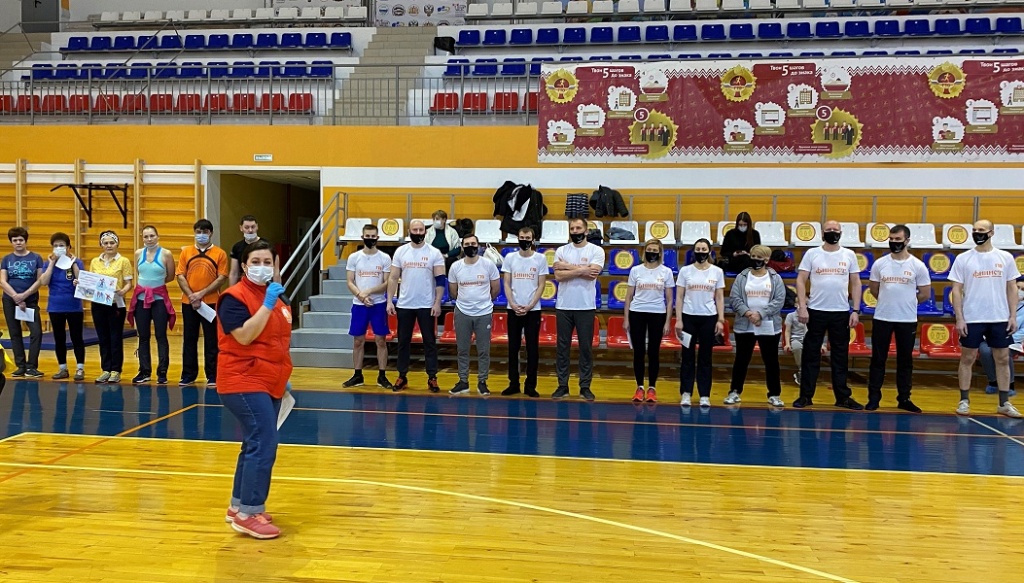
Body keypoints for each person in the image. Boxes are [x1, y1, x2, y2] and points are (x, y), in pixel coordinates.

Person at [216, 240, 291, 540]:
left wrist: (283, 375)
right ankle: (249, 514)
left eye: (267, 262)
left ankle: (238, 505)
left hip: (269, 379)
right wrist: (267, 305)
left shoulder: (278, 297)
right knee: (264, 441)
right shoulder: (233, 298)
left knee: (252, 442)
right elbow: (245, 336)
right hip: (242, 378)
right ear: (245, 266)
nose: (262, 267)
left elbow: (277, 341)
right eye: (256, 262)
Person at [950, 220, 1022, 418]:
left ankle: (1004, 403)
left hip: (999, 317)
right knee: (967, 358)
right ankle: (964, 401)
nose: (977, 233)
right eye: (974, 230)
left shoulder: (1005, 257)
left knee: (1002, 358)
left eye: (981, 230)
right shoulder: (963, 258)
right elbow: (956, 290)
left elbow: (1012, 288)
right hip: (972, 317)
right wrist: (959, 318)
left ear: (991, 233)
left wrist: (1013, 315)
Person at [794, 220, 864, 410]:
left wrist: (855, 310)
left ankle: (842, 397)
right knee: (810, 356)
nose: (832, 232)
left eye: (835, 229)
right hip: (816, 311)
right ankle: (805, 396)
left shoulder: (849, 254)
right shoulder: (812, 253)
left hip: (840, 312)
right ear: (822, 233)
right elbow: (800, 280)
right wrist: (802, 306)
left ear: (841, 232)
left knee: (840, 357)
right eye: (828, 229)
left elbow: (856, 282)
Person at [866, 225, 931, 413]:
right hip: (882, 317)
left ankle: (904, 398)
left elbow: (925, 294)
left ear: (907, 241)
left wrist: (907, 302)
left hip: (907, 319)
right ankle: (873, 398)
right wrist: (889, 302)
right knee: (878, 359)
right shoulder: (880, 264)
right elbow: (874, 289)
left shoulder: (917, 265)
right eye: (891, 239)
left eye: (898, 239)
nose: (894, 242)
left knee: (905, 361)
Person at [386, 219, 445, 393]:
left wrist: (437, 302)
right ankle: (402, 376)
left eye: (420, 230)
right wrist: (389, 301)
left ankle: (432, 377)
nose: (418, 232)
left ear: (425, 232)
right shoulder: (401, 251)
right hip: (405, 304)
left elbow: (440, 280)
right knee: (403, 342)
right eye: (415, 230)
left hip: (427, 305)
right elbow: (393, 277)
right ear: (409, 231)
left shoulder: (434, 253)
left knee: (429, 342)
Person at [552, 217, 605, 401]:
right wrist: (582, 269)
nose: (575, 231)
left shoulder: (596, 250)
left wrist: (567, 267)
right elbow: (558, 276)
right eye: (572, 228)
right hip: (563, 306)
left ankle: (585, 386)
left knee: (585, 348)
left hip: (586, 306)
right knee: (562, 348)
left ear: (586, 231)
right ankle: (562, 385)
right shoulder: (561, 250)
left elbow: (592, 274)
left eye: (578, 228)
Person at [726, 245, 786, 407]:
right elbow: (735, 298)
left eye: (759, 257)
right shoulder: (742, 277)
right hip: (744, 325)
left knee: (771, 361)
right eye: (753, 256)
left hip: (768, 325)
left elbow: (779, 300)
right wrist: (748, 313)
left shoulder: (775, 278)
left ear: (766, 260)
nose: (755, 260)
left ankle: (774, 394)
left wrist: (761, 314)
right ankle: (735, 391)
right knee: (741, 360)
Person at [176, 219, 229, 388]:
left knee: (212, 340)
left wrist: (201, 294)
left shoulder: (220, 253)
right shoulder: (186, 252)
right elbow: (180, 275)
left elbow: (222, 277)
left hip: (211, 303)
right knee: (189, 339)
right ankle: (188, 375)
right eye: (198, 232)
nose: (201, 235)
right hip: (189, 302)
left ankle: (213, 375)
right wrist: (192, 296)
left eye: (204, 232)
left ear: (210, 233)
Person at [447, 234, 500, 396]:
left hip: (484, 313)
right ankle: (463, 381)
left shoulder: (488, 265)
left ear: (478, 245)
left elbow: (495, 289)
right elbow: (453, 292)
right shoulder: (455, 267)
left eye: (473, 243)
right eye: (467, 244)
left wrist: (484, 302)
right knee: (462, 349)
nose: (471, 246)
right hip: (462, 312)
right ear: (463, 247)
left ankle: (482, 382)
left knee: (483, 350)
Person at [675, 238, 725, 408]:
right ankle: (686, 393)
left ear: (709, 251)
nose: (701, 252)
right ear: (693, 251)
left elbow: (719, 297)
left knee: (705, 358)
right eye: (698, 249)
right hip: (688, 317)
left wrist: (720, 319)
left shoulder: (717, 272)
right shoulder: (685, 271)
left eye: (704, 249)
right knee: (687, 357)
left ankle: (704, 394)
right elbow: (679, 296)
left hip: (708, 318)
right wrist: (679, 320)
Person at [342, 223, 393, 390]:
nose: (370, 239)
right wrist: (360, 296)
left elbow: (386, 283)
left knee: (381, 341)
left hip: (378, 304)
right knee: (358, 341)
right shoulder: (354, 257)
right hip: (359, 305)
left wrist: (369, 292)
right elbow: (350, 281)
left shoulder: (385, 258)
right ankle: (357, 375)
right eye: (367, 236)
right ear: (362, 237)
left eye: (373, 236)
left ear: (377, 238)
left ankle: (382, 376)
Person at [624, 239, 673, 403]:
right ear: (645, 251)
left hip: (657, 314)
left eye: (655, 250)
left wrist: (667, 321)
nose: (652, 252)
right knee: (638, 352)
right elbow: (628, 296)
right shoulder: (635, 270)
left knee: (653, 352)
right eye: (649, 249)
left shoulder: (666, 272)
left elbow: (670, 300)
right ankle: (639, 387)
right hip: (637, 312)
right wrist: (626, 319)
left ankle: (652, 388)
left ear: (659, 253)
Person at [501, 226, 547, 398]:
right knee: (513, 348)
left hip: (533, 310)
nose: (524, 240)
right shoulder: (510, 258)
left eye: (528, 238)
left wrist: (530, 305)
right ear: (518, 238)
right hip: (513, 309)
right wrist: (512, 304)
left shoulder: (540, 259)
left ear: (533, 240)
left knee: (532, 348)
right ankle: (513, 383)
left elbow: (541, 284)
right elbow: (506, 283)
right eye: (522, 237)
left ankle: (530, 385)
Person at [129, 226, 176, 385]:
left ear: (157, 236)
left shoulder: (166, 254)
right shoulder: (138, 253)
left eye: (152, 236)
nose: (149, 239)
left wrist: (155, 287)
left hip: (159, 300)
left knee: (161, 336)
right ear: (142, 238)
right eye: (146, 236)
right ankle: (144, 371)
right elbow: (139, 273)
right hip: (141, 300)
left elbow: (170, 276)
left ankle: (162, 372)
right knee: (143, 336)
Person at [87, 231, 133, 384]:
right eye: (105, 243)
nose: (109, 245)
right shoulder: (95, 261)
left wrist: (122, 291)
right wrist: (81, 284)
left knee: (115, 337)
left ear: (117, 244)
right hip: (98, 304)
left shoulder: (123, 261)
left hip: (115, 304)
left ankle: (116, 370)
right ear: (101, 245)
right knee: (103, 337)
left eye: (111, 242)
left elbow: (128, 283)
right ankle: (106, 369)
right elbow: (92, 281)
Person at [39, 233, 85, 381]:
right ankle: (62, 368)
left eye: (62, 245)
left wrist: (73, 263)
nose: (59, 248)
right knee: (59, 338)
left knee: (77, 337)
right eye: (56, 246)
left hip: (74, 306)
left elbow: (82, 280)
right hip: (55, 306)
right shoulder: (48, 263)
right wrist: (51, 264)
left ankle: (80, 368)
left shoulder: (77, 262)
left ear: (68, 247)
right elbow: (44, 282)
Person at [0, 227, 44, 378]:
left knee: (36, 332)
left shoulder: (36, 258)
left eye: (21, 240)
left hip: (30, 300)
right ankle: (21, 366)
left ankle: (32, 367)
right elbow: (2, 281)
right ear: (11, 242)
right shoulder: (6, 259)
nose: (18, 242)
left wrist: (24, 296)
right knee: (15, 332)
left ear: (25, 241)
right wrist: (15, 297)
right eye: (15, 240)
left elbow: (40, 280)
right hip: (10, 300)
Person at [229, 215, 280, 286]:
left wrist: (277, 290)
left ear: (257, 227)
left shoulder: (268, 245)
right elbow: (234, 272)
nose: (250, 230)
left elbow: (276, 272)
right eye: (246, 227)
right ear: (241, 228)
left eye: (253, 227)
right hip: (245, 285)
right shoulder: (237, 247)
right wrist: (231, 290)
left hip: (266, 285)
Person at [784, 310, 808, 386]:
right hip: (795, 339)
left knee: (812, 350)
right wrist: (787, 344)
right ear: (795, 304)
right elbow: (787, 331)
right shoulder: (791, 315)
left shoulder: (812, 314)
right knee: (796, 348)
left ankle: (802, 373)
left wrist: (821, 344)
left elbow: (817, 331)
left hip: (809, 339)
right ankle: (802, 372)